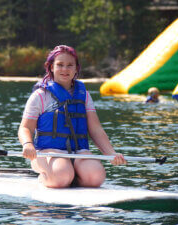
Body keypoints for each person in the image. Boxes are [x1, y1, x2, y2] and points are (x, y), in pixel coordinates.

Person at [18, 45, 126, 188]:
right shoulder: (39, 95)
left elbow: (95, 129)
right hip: (47, 152)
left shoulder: (84, 95)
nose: (65, 69)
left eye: (70, 65)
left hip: (78, 152)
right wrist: (27, 144)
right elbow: (25, 128)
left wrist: (111, 153)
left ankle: (73, 178)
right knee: (61, 176)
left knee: (96, 178)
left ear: (76, 69)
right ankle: (47, 177)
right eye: (60, 65)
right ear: (51, 67)